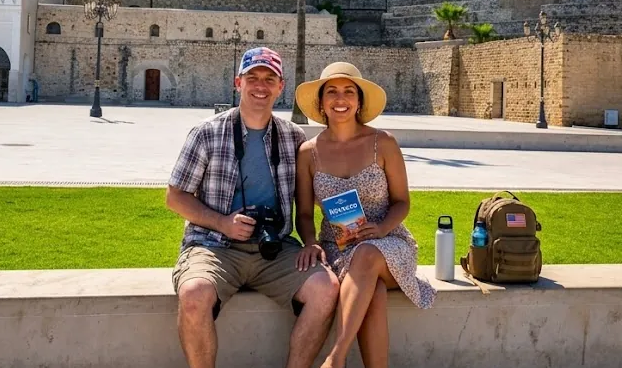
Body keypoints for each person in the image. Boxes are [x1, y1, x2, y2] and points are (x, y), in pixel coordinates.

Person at [167, 47, 339, 368]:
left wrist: (313, 241)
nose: (260, 85)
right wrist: (222, 223)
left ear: (280, 86)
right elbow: (175, 197)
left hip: (274, 250)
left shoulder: (293, 137)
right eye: (253, 78)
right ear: (238, 83)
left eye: (268, 78)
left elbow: (306, 202)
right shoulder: (207, 133)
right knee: (194, 294)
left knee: (326, 289)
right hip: (214, 245)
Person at [294, 62, 435, 368]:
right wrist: (309, 242)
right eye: (331, 91)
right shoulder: (308, 152)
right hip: (337, 248)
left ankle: (336, 357)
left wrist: (383, 227)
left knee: (368, 255)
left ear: (359, 101)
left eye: (348, 91)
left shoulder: (382, 143)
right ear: (320, 102)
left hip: (388, 244)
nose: (340, 98)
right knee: (375, 293)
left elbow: (402, 202)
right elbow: (304, 213)